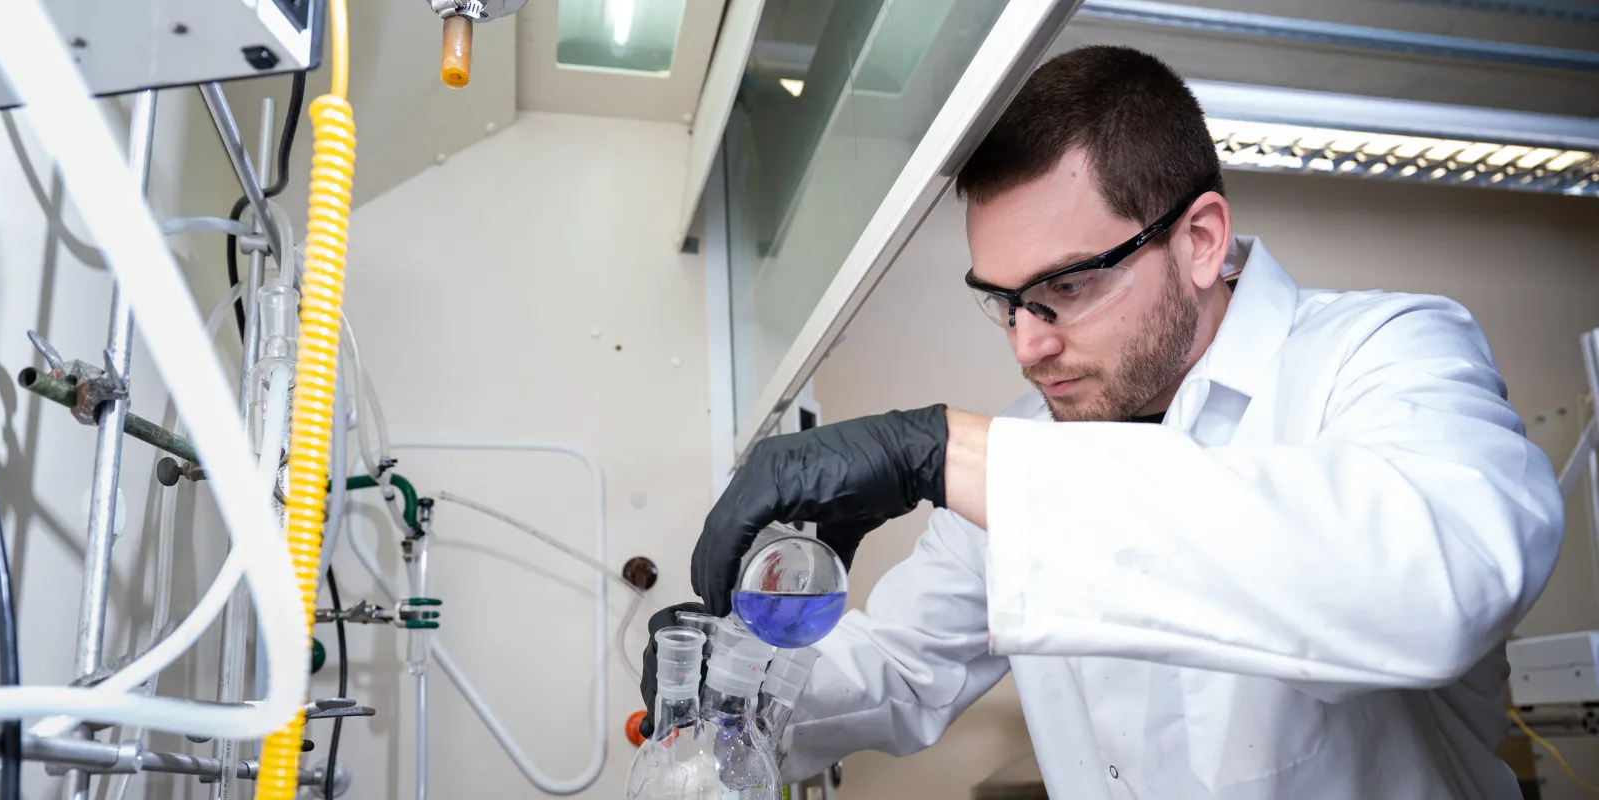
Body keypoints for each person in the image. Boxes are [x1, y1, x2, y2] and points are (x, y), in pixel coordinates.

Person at [641, 45, 1564, 798]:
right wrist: (733, 678)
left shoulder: (1381, 352)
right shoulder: (1028, 447)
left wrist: (946, 452)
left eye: (1065, 289)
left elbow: (1441, 579)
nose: (1028, 346)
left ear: (1199, 241)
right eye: (1003, 302)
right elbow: (900, 666)